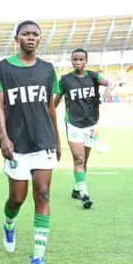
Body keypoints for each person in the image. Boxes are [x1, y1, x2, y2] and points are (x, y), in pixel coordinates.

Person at [0, 20, 61, 264]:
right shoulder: (3, 69)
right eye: (26, 34)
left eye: (35, 35)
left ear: (39, 39)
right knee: (17, 198)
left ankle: (38, 258)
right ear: (17, 38)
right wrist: (4, 137)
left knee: (42, 195)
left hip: (43, 141)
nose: (31, 38)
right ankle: (9, 223)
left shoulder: (47, 69)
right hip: (16, 144)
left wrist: (57, 140)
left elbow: (51, 108)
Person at [53, 48, 113, 208]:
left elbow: (109, 82)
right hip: (73, 124)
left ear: (86, 61)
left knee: (85, 159)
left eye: (81, 59)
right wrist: (47, 115)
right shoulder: (65, 80)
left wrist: (108, 88)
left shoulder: (93, 77)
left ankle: (76, 188)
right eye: (75, 59)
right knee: (79, 159)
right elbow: (56, 101)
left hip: (91, 124)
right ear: (71, 61)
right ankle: (85, 195)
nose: (78, 62)